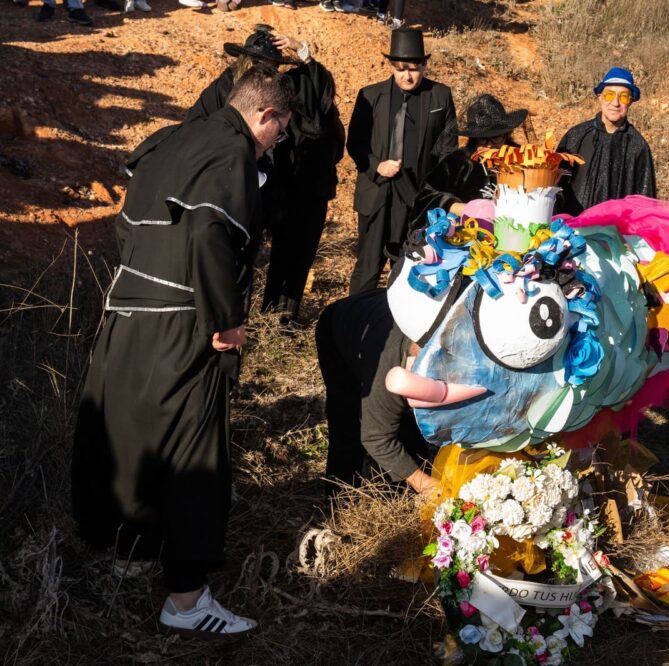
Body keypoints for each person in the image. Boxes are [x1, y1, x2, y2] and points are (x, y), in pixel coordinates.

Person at [72, 65, 296, 636]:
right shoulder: (233, 152)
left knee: (131, 434)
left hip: (126, 314)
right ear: (266, 115)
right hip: (183, 323)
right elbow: (205, 231)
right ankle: (187, 600)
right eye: (281, 130)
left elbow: (125, 226)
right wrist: (225, 320)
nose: (277, 143)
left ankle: (129, 551)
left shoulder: (176, 136)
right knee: (197, 452)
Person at [188, 25, 345, 325]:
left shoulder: (285, 92)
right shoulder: (224, 88)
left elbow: (320, 97)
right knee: (233, 255)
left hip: (286, 188)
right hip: (235, 185)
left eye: (270, 65)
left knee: (290, 258)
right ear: (242, 62)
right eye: (256, 63)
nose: (263, 70)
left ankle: (278, 321)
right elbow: (195, 128)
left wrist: (303, 52)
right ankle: (227, 318)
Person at [345, 28, 456, 294]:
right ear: (392, 67)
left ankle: (398, 328)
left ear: (424, 65)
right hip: (378, 194)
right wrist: (377, 165)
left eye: (414, 68)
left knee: (409, 265)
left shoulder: (440, 96)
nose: (407, 75)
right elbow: (355, 143)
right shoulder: (370, 96)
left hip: (417, 199)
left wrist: (434, 193)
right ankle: (356, 324)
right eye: (401, 68)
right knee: (367, 267)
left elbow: (447, 149)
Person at [315, 288, 437, 497]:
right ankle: (339, 497)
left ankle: (401, 491)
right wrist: (426, 484)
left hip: (382, 313)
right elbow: (375, 437)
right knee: (348, 423)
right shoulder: (387, 367)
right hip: (342, 326)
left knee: (412, 426)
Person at [410, 93, 527, 225]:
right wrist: (463, 209)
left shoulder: (524, 158)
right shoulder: (458, 162)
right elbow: (425, 196)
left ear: (506, 135)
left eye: (496, 137)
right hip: (468, 234)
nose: (489, 145)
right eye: (483, 138)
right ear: (474, 138)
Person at [555, 67, 656, 216]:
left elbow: (645, 202)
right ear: (600, 96)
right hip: (571, 232)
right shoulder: (576, 136)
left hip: (615, 235)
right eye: (609, 95)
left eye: (623, 97)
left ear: (631, 101)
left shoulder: (638, 147)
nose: (615, 103)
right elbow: (556, 186)